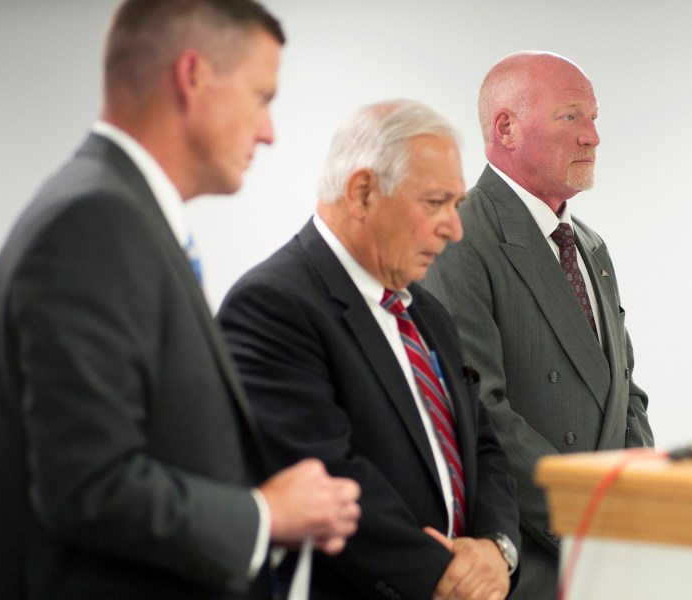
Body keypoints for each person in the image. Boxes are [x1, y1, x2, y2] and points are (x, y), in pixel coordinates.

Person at [0, 2, 361, 599]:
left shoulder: (118, 214)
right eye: (262, 96)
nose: (269, 131)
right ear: (192, 76)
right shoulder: (94, 222)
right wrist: (264, 516)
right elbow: (90, 485)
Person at [217, 99, 521, 600]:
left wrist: (495, 550)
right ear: (362, 192)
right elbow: (325, 474)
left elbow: (483, 449)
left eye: (457, 204)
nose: (454, 228)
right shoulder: (273, 304)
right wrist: (444, 575)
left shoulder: (427, 312)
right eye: (435, 203)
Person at [421, 50, 655, 600]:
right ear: (506, 127)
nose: (592, 136)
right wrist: (587, 518)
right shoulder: (458, 235)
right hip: (533, 560)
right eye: (571, 116)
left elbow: (626, 393)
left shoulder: (591, 246)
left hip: (610, 556)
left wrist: (648, 496)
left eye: (594, 118)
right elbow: (481, 412)